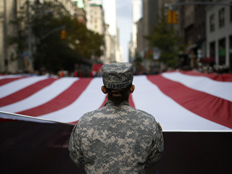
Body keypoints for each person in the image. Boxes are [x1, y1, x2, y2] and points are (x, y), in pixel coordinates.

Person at [69, 62, 164, 174]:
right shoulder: (148, 122)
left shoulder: (85, 122)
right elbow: (153, 158)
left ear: (104, 89)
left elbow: (77, 158)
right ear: (132, 88)